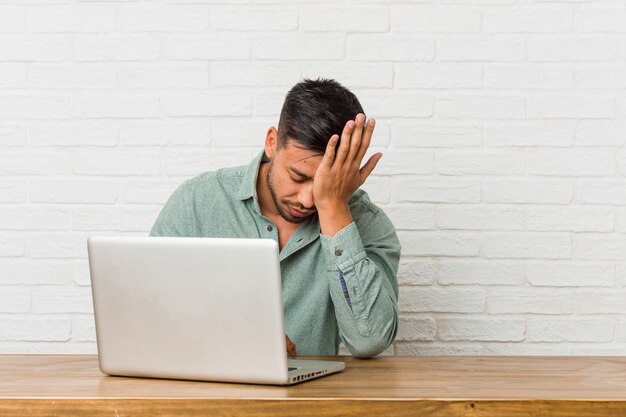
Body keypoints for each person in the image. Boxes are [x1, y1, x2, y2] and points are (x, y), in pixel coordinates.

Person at [150, 78, 401, 358]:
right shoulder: (197, 201)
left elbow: (370, 341)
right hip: (203, 392)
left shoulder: (365, 223)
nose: (307, 200)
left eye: (323, 183)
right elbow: (147, 308)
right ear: (272, 142)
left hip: (309, 400)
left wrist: (333, 207)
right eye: (297, 177)